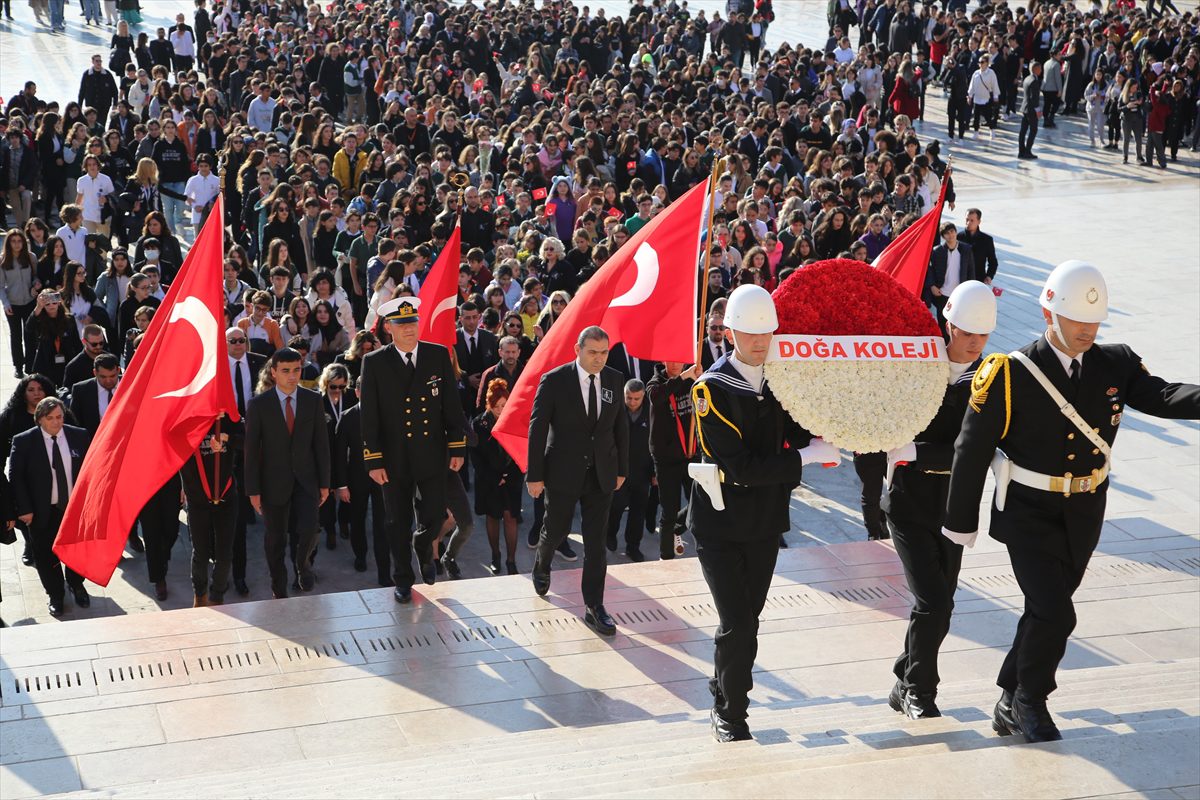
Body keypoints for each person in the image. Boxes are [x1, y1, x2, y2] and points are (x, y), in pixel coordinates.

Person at [944, 261, 1200, 743]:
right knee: (1056, 612)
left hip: (1085, 509)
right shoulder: (1009, 373)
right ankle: (1030, 701)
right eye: (1077, 319)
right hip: (1028, 510)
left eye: (1094, 321)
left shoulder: (1116, 362)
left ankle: (1008, 698)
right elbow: (971, 448)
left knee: (1046, 609)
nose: (1087, 330)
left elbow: (1163, 396)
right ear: (1048, 313)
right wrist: (960, 523)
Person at [687, 285, 839, 741]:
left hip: (765, 520)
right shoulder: (710, 390)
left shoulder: (778, 380)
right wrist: (805, 457)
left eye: (766, 333)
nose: (759, 342)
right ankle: (731, 713)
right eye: (750, 333)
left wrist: (829, 431)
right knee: (737, 622)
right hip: (721, 522)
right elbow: (741, 468)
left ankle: (724, 685)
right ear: (730, 333)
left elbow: (796, 424)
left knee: (747, 620)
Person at [884, 281, 998, 719]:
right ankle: (920, 691)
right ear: (949, 325)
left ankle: (904, 676)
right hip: (909, 503)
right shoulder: (916, 364)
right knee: (933, 600)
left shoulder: (988, 380)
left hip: (954, 506)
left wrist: (918, 451)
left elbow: (977, 448)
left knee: (941, 607)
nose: (975, 343)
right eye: (968, 333)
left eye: (983, 335)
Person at [358, 297, 467, 603]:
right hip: (394, 458)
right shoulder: (375, 362)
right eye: (402, 324)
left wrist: (457, 446)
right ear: (389, 328)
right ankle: (403, 579)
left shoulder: (437, 355)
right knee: (396, 522)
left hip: (431, 452)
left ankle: (423, 545)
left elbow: (451, 405)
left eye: (413, 322)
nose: (409, 329)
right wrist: (373, 459)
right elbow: (369, 416)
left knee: (435, 514)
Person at [527, 325, 629, 636]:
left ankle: (594, 606)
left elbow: (621, 427)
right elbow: (537, 428)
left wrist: (622, 469)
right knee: (556, 529)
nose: (599, 359)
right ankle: (542, 562)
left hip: (601, 473)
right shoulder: (555, 380)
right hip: (563, 472)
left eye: (604, 352)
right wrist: (535, 475)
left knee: (596, 543)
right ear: (578, 350)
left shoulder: (614, 379)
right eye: (592, 352)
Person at [244, 347, 331, 599]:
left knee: (310, 528)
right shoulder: (259, 405)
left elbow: (321, 445)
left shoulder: (313, 400)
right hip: (273, 483)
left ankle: (303, 565)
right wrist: (253, 491)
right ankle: (278, 588)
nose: (292, 376)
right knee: (275, 540)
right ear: (273, 372)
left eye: (296, 370)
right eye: (285, 371)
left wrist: (325, 483)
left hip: (306, 479)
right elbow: (252, 451)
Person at [6, 397, 92, 617]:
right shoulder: (24, 441)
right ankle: (55, 594)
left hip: (74, 509)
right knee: (45, 556)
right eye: (50, 418)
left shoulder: (79, 436)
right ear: (39, 419)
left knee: (76, 551)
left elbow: (91, 471)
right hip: (41, 511)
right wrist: (24, 509)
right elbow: (16, 478)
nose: (56, 422)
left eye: (59, 417)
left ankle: (76, 584)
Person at [333, 379, 390, 586]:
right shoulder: (347, 417)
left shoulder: (388, 414)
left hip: (383, 477)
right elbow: (339, 455)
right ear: (356, 392)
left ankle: (384, 571)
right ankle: (360, 555)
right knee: (357, 518)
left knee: (382, 523)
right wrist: (341, 485)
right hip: (356, 478)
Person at [181, 415, 242, 607]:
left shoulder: (228, 417)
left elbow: (248, 440)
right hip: (198, 499)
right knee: (200, 551)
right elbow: (175, 452)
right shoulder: (188, 418)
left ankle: (217, 596)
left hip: (226, 497)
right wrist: (188, 490)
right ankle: (200, 596)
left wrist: (227, 438)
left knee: (225, 553)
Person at [472, 377, 524, 575]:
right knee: (493, 517)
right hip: (489, 481)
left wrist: (511, 475)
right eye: (497, 406)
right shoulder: (479, 424)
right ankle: (495, 555)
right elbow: (476, 458)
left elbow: (521, 450)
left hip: (512, 479)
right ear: (489, 405)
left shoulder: (515, 420)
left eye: (504, 405)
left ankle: (511, 560)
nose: (501, 410)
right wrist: (495, 478)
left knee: (511, 517)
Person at [606, 378, 653, 562]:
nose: (632, 402)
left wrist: (655, 472)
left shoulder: (652, 412)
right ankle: (610, 535)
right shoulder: (614, 411)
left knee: (638, 512)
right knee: (616, 507)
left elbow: (656, 443)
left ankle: (633, 546)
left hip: (642, 471)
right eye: (629, 398)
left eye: (636, 399)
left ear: (643, 396)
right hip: (619, 471)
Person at [924, 222, 978, 332]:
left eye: (952, 231)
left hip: (960, 293)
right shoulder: (937, 251)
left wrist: (971, 290)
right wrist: (932, 286)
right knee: (942, 323)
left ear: (956, 232)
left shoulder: (966, 249)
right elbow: (930, 270)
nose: (950, 235)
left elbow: (971, 270)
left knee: (958, 324)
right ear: (943, 236)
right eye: (947, 233)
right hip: (942, 293)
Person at [67, 352, 119, 435]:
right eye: (103, 377)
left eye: (112, 376)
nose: (108, 381)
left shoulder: (131, 385)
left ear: (118, 370)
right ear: (95, 373)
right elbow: (75, 422)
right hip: (94, 439)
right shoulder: (81, 390)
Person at [957, 209, 999, 285]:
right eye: (967, 220)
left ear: (979, 222)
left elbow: (993, 261)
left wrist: (989, 276)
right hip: (959, 279)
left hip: (979, 280)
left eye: (972, 220)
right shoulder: (958, 237)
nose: (968, 223)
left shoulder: (987, 240)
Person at [1019, 61, 1043, 161]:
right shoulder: (1034, 81)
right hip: (1031, 110)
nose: (1041, 70)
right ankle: (1027, 151)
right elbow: (1034, 98)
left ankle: (1021, 151)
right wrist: (1038, 110)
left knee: (1023, 131)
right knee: (1033, 130)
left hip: (1025, 108)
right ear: (1035, 69)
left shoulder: (1027, 78)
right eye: (1040, 68)